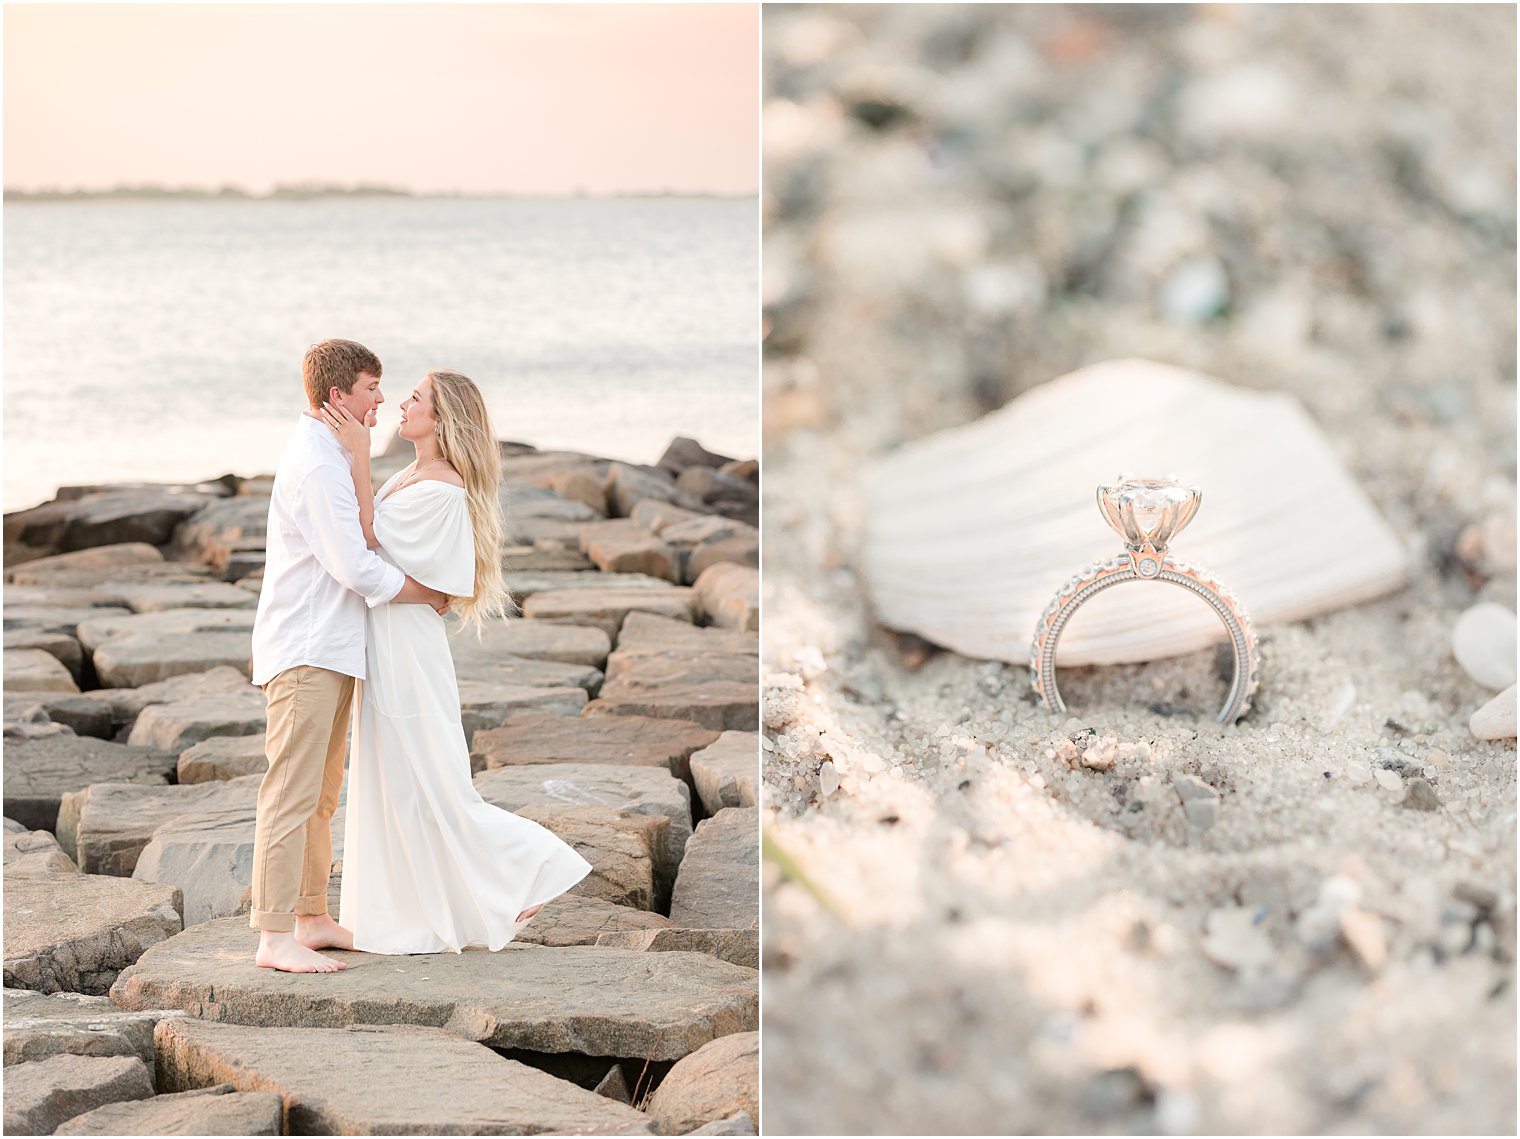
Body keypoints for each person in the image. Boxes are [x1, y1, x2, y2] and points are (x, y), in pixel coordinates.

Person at [315, 369, 591, 954]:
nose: (401, 404)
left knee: (434, 784)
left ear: (441, 419)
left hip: (406, 650)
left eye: (415, 398)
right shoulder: (415, 473)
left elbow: (367, 544)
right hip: (387, 640)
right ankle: (415, 916)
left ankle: (537, 867)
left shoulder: (441, 488)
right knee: (397, 782)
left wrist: (359, 454)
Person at [249, 338, 452, 974]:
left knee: (321, 794)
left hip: (333, 648)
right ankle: (273, 935)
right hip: (306, 648)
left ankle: (310, 916)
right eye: (371, 389)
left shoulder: (336, 455)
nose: (382, 401)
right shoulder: (318, 464)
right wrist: (424, 593)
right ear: (338, 395)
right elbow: (353, 566)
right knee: (290, 790)